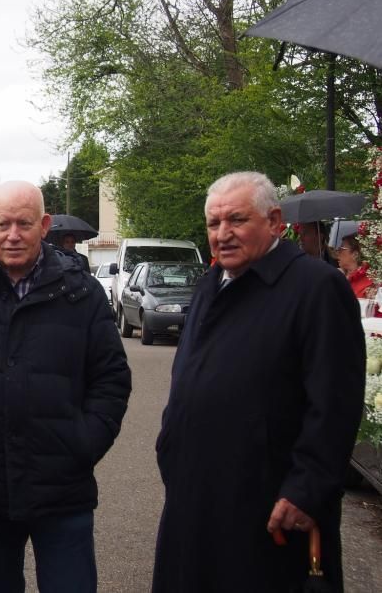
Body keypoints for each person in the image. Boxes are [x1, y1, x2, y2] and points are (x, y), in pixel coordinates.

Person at [152, 172, 365, 592]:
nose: (223, 234)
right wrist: (170, 447)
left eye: (236, 220)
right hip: (195, 498)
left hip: (267, 507)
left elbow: (335, 403)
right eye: (214, 224)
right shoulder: (213, 282)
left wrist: (306, 489)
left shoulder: (315, 288)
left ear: (273, 221)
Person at [0, 182, 131, 593]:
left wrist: (83, 443)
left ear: (44, 225)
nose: (13, 235)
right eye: (3, 224)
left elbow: (111, 378)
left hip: (63, 490)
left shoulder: (81, 293)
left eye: (24, 224)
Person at [335, 234, 375, 299]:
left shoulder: (369, 280)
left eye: (341, 249)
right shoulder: (337, 276)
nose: (337, 252)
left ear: (355, 254)